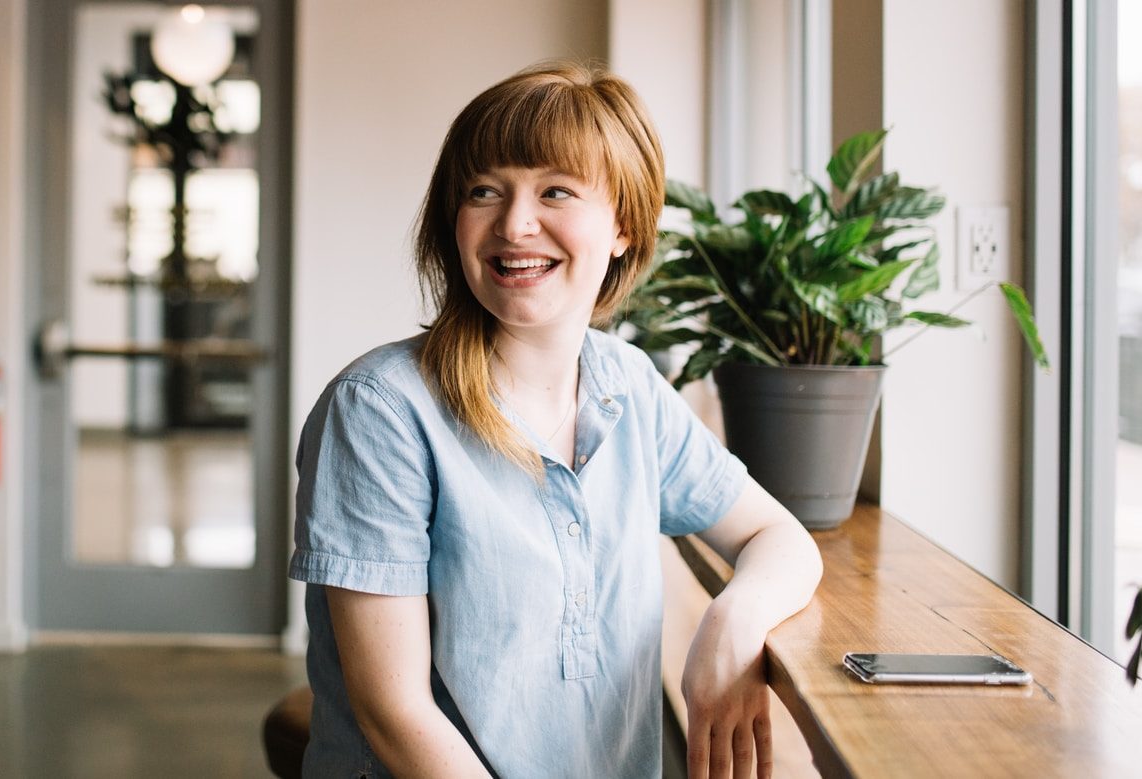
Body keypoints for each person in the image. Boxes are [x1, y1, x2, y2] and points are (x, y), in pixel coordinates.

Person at [288, 62, 823, 779]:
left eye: (555, 191)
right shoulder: (379, 409)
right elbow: (396, 714)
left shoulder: (628, 385)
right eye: (484, 191)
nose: (514, 224)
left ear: (624, 226)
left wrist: (734, 620)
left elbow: (778, 536)